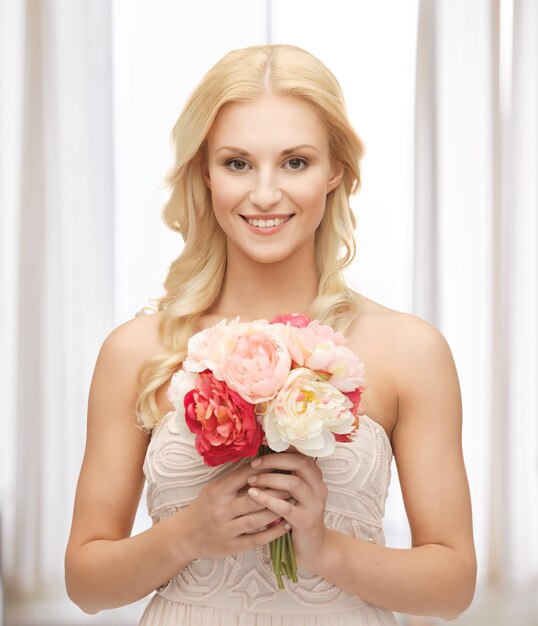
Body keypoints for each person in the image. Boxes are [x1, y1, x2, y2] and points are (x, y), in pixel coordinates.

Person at [65, 44, 476, 625]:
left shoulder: (409, 352)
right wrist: (187, 535)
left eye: (295, 162)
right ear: (204, 172)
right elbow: (86, 585)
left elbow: (454, 587)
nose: (264, 194)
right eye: (237, 163)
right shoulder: (136, 351)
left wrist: (326, 549)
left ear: (336, 171)